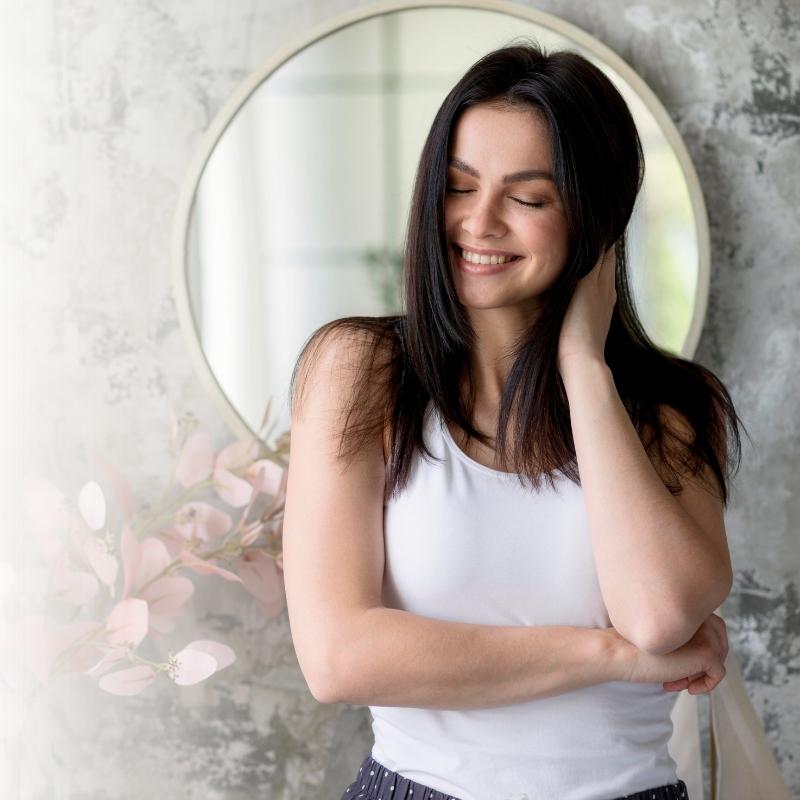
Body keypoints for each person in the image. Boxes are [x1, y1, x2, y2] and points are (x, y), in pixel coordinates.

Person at [282, 40, 746, 800]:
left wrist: (585, 372)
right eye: (459, 187)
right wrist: (610, 657)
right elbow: (338, 656)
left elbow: (660, 615)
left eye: (528, 199)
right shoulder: (360, 372)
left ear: (594, 220)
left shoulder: (669, 408)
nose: (479, 222)